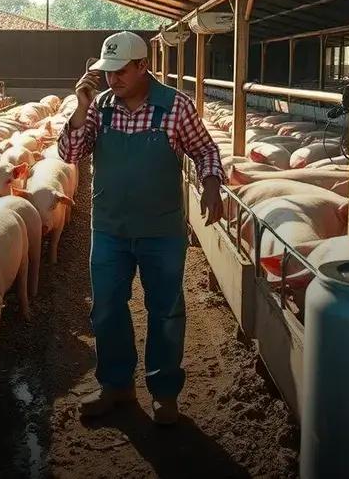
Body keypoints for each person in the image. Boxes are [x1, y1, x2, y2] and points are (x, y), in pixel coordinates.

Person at [58, 30, 224, 425]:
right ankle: (116, 386)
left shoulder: (174, 106)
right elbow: (70, 154)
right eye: (107, 71)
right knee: (107, 309)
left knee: (165, 310)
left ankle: (164, 392)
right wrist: (80, 108)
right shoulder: (100, 107)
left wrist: (212, 183)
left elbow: (204, 149)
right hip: (110, 227)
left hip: (161, 230)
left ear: (142, 66)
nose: (112, 78)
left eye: (120, 71)